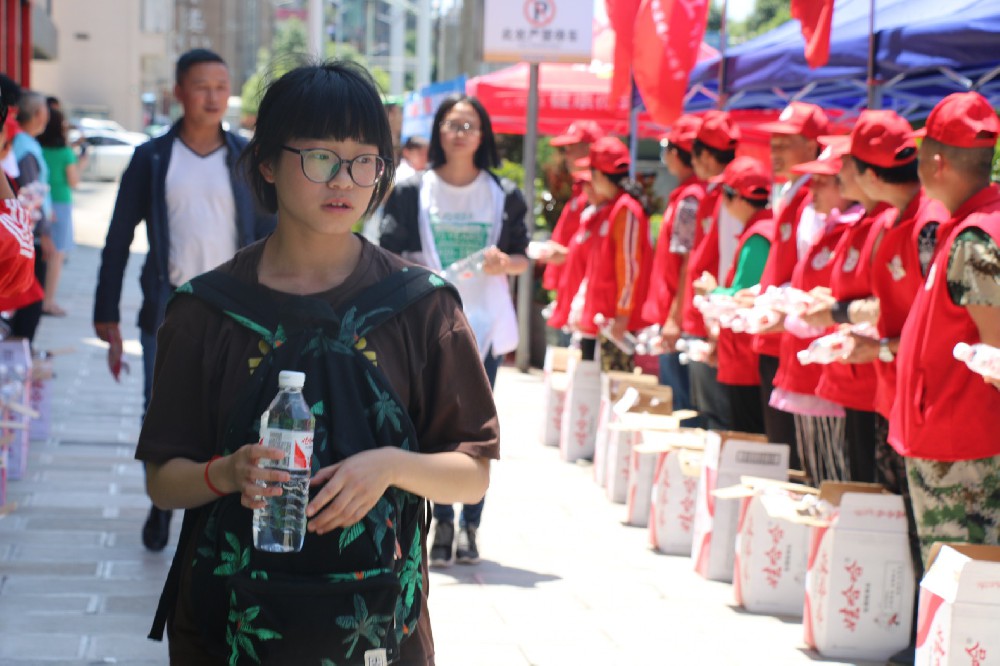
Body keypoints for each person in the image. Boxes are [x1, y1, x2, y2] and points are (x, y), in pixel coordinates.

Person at [136, 59, 497, 664]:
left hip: (380, 633)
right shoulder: (206, 310)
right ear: (266, 163)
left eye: (364, 160)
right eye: (321, 157)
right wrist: (227, 473)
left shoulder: (421, 307)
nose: (344, 180)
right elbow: (163, 479)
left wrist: (390, 466)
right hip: (226, 631)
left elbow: (472, 471)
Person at [93, 48, 276, 553]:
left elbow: (272, 231)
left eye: (221, 86)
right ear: (179, 92)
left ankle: (211, 508)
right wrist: (106, 312)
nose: (213, 96)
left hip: (238, 308)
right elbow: (118, 238)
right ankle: (162, 501)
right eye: (202, 86)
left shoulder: (246, 158)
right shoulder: (152, 158)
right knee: (160, 407)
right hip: (170, 305)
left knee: (232, 407)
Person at [380, 93, 528, 567]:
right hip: (428, 325)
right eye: (452, 124)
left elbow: (523, 256)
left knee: (479, 428)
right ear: (437, 131)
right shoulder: (412, 190)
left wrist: (506, 263)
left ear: (483, 135)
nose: (460, 133)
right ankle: (442, 520)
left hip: (484, 325)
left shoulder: (503, 193)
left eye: (469, 125)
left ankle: (471, 526)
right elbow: (389, 251)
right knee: (435, 424)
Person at [890, 91, 1000, 561]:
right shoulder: (971, 225)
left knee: (961, 578)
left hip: (962, 448)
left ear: (937, 163)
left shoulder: (975, 238)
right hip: (954, 438)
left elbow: (995, 354)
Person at [751, 102, 829, 460]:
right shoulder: (793, 193)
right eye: (774, 144)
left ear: (812, 145)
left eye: (785, 143)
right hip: (779, 332)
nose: (775, 152)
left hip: (795, 335)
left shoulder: (813, 196)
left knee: (793, 451)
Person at [694, 157, 773, 433]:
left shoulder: (757, 236)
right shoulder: (763, 229)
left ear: (738, 198)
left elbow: (743, 297)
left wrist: (711, 291)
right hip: (748, 355)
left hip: (746, 357)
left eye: (725, 194)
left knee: (746, 433)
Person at [681, 110, 742, 430]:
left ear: (704, 155)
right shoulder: (715, 192)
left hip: (716, 315)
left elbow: (730, 260)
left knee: (718, 415)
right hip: (710, 310)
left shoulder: (728, 194)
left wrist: (716, 318)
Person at [574, 136, 654, 372]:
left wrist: (623, 315)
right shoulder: (613, 207)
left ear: (599, 174)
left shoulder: (625, 209)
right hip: (606, 319)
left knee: (616, 384)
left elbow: (629, 266)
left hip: (616, 323)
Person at [643, 114, 705, 418]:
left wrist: (673, 319)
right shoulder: (686, 195)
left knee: (681, 411)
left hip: (678, 320)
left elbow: (687, 264)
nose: (664, 155)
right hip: (676, 314)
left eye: (667, 148)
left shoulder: (690, 199)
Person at [3, 90, 55, 344]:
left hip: (23, 232)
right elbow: (27, 194)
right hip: (25, 235)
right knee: (27, 303)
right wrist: (41, 232)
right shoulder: (23, 146)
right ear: (37, 114)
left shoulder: (23, 144)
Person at [541, 120, 606, 295]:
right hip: (571, 287)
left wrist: (567, 254)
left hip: (585, 291)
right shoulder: (580, 188)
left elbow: (603, 251)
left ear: (590, 148)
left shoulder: (598, 193)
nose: (566, 154)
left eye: (571, 147)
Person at [38, 104, 80, 316]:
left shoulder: (37, 148)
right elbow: (73, 181)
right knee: (57, 254)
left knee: (40, 253)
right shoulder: (66, 153)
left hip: (40, 203)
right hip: (60, 203)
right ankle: (48, 301)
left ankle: (38, 299)